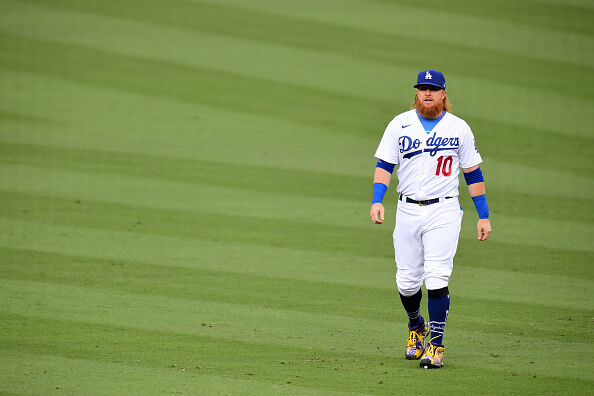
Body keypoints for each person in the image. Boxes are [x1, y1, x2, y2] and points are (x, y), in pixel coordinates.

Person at [369, 70, 491, 369]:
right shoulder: (400, 123)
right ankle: (416, 326)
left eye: (433, 89)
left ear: (443, 94)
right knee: (407, 281)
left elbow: (472, 172)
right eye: (423, 88)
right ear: (417, 93)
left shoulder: (458, 127)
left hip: (444, 211)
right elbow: (385, 164)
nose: (427, 93)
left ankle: (435, 345)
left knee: (437, 276)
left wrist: (483, 215)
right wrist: (376, 200)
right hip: (407, 210)